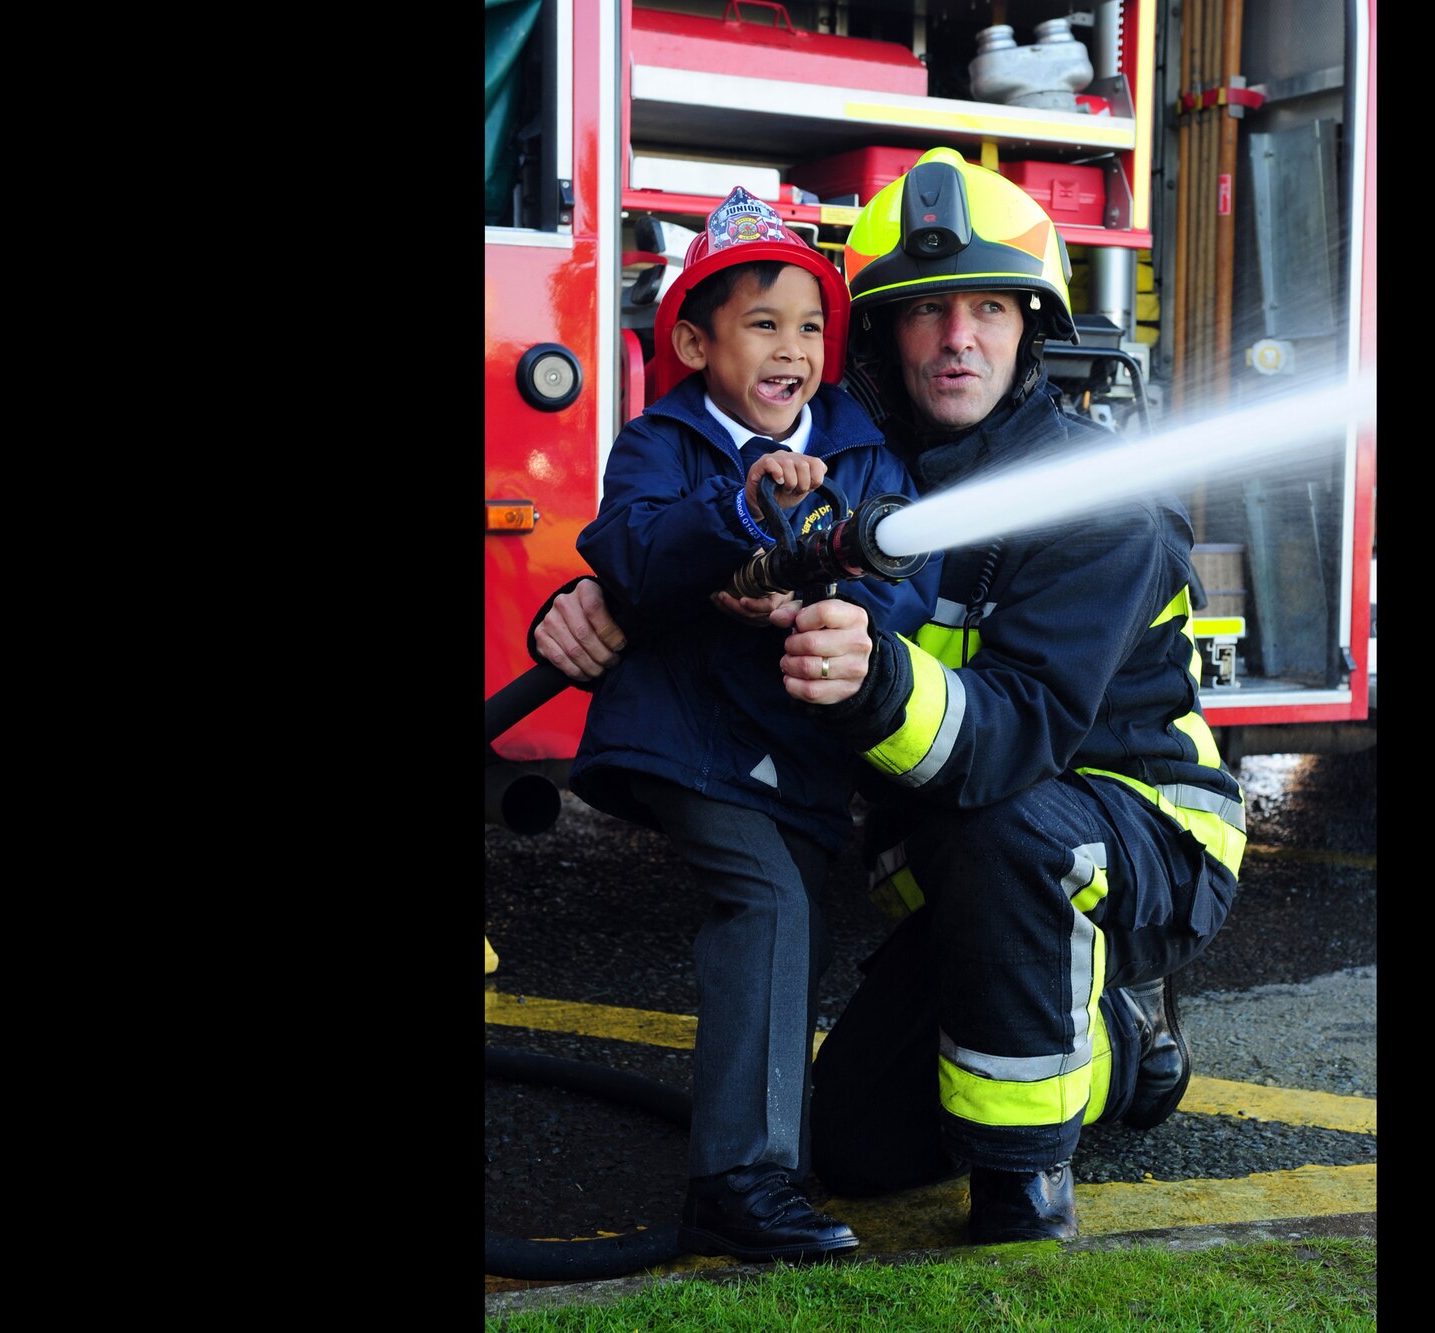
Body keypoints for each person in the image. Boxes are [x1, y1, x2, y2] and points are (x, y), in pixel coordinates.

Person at [531, 148, 1243, 1246]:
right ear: (880, 336)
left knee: (1009, 830)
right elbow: (711, 522)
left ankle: (1026, 1176)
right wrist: (613, 589)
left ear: (1032, 329)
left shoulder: (1097, 505)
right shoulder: (869, 469)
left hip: (1127, 827)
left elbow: (1012, 742)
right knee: (855, 1151)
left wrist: (875, 677)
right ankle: (1071, 1012)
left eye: (988, 310)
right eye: (924, 313)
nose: (956, 339)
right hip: (950, 855)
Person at [528, 185, 937, 1264]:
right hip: (684, 739)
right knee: (761, 898)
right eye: (762, 323)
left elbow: (908, 584)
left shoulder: (856, 453)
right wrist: (744, 510)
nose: (792, 348)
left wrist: (818, 605)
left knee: (787, 914)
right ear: (696, 343)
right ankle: (739, 1183)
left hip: (791, 758)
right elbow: (630, 551)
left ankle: (765, 1163)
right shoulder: (662, 441)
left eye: (810, 327)